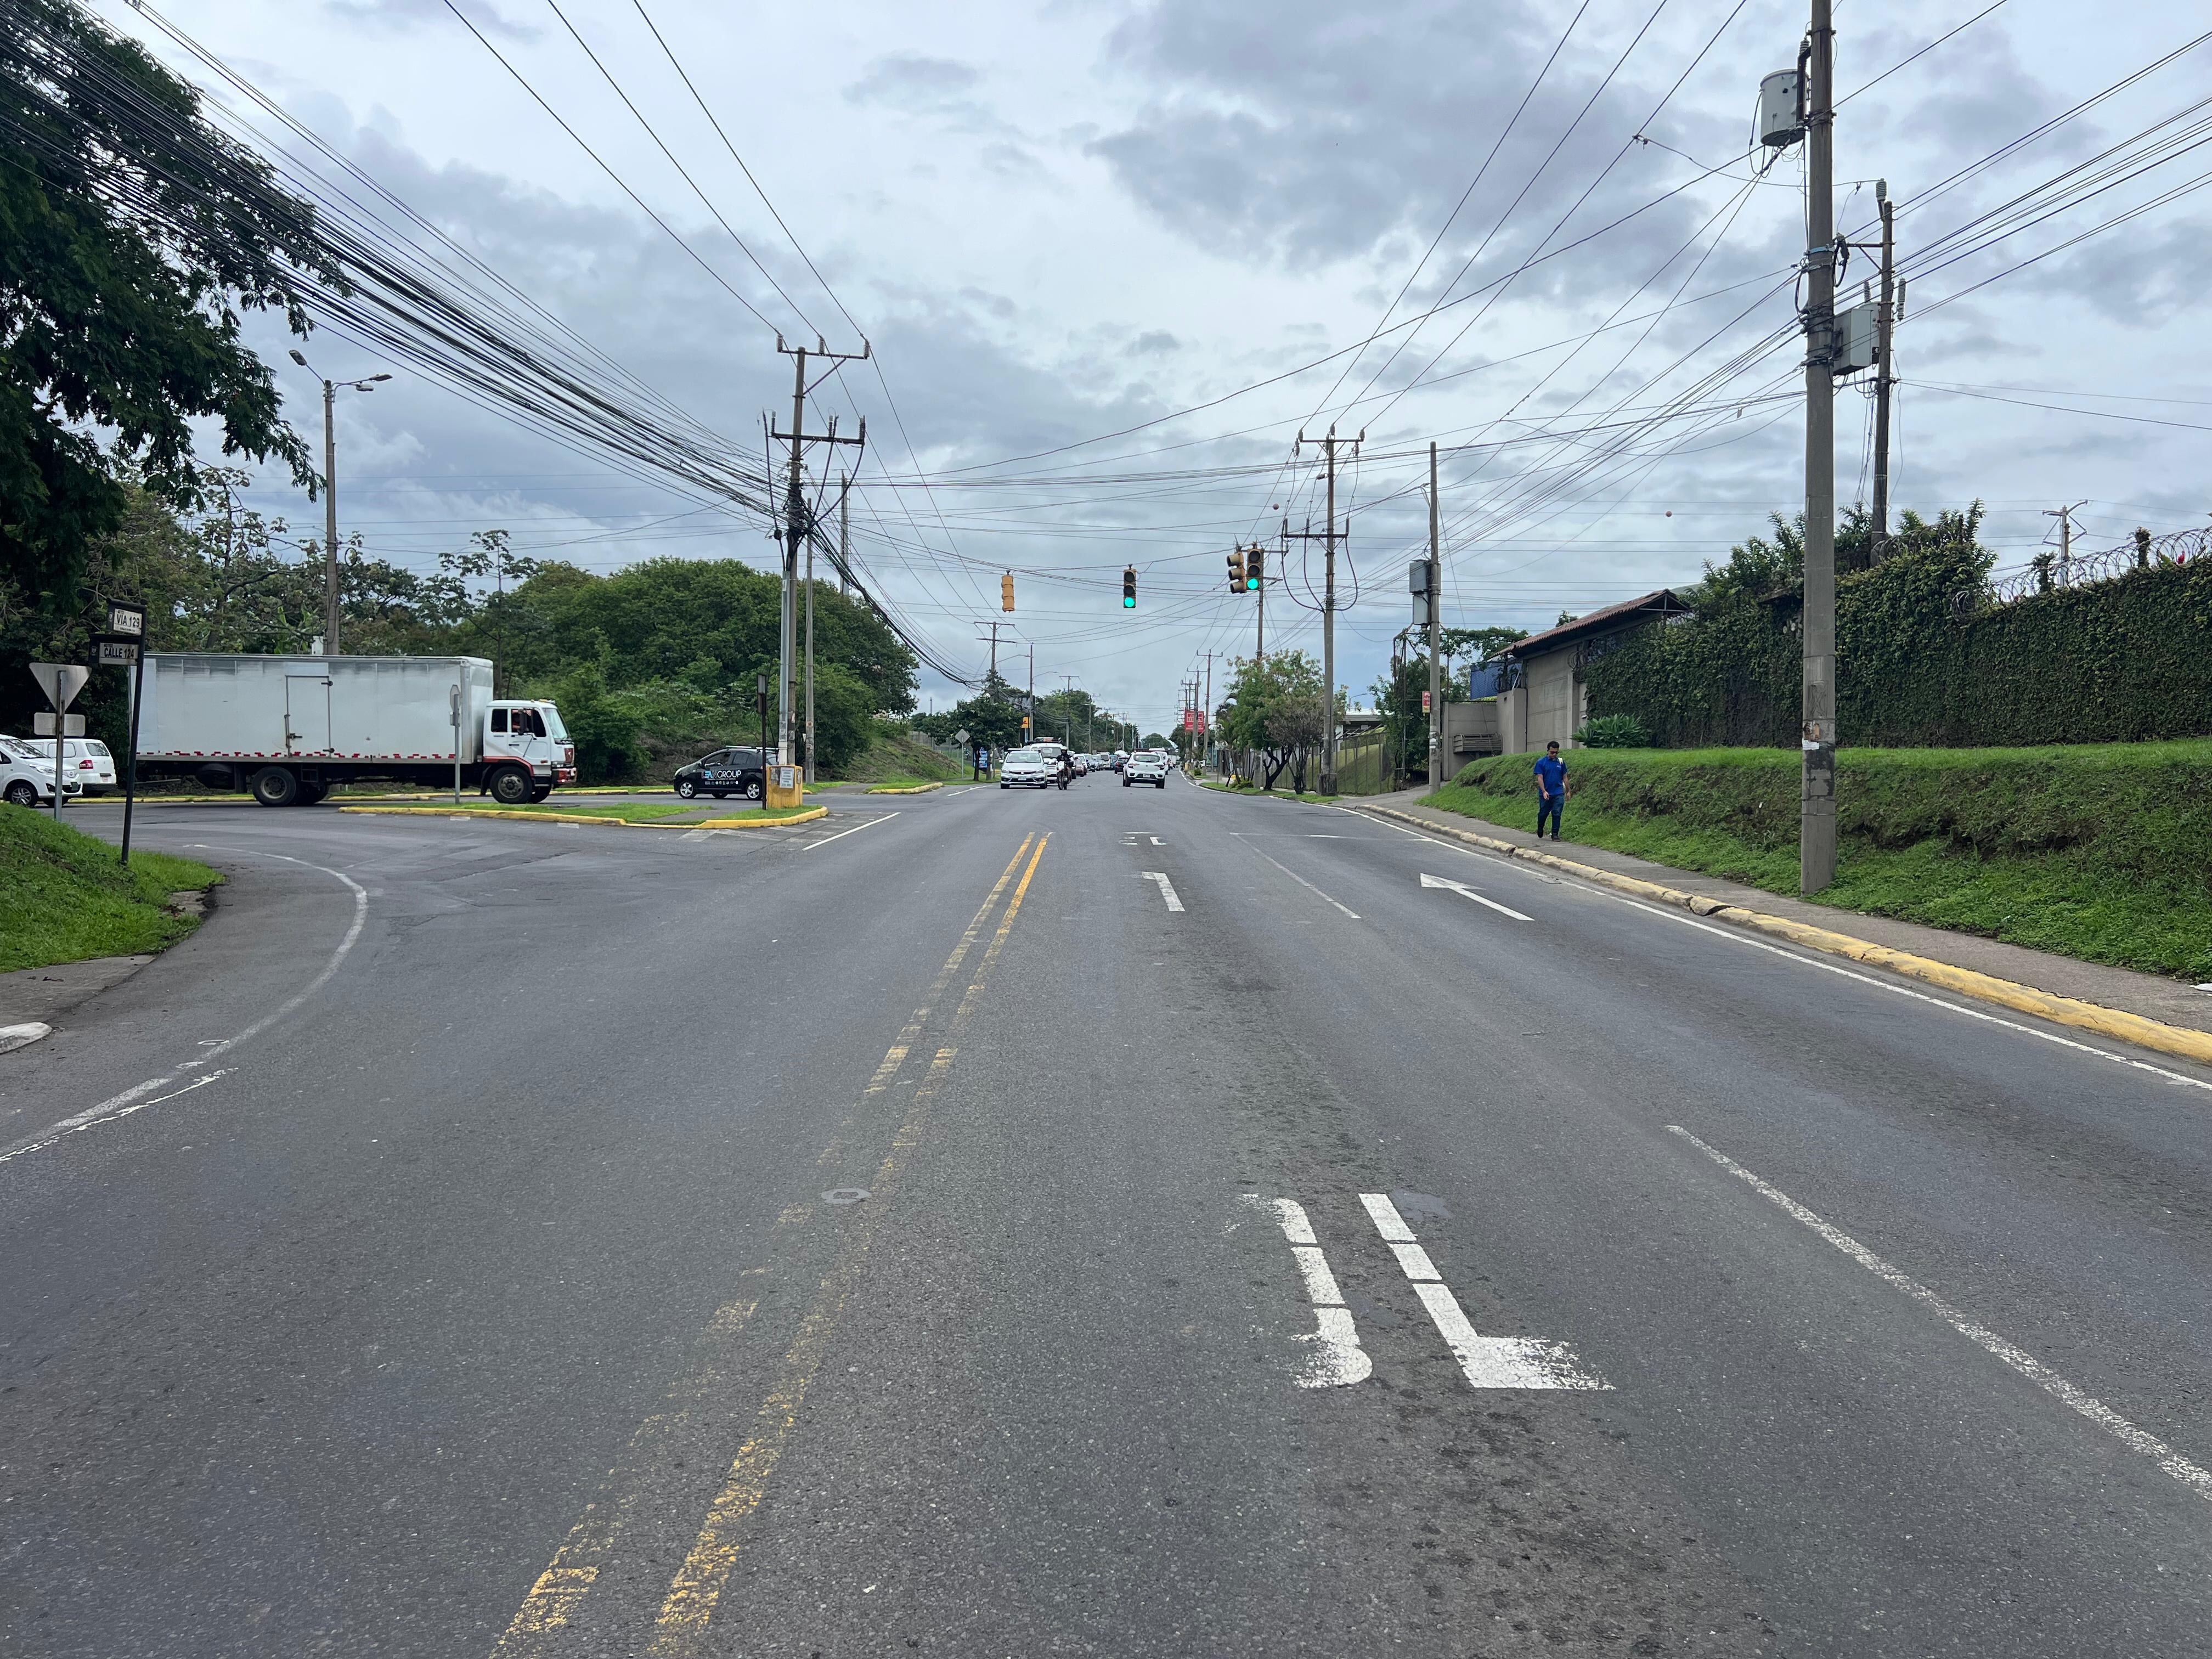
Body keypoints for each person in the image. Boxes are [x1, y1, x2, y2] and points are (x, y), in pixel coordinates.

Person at [1533, 740, 1568, 840]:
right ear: (1548, 751)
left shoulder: (1561, 763)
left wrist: (1569, 790)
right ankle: (1540, 827)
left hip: (1558, 792)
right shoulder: (1541, 762)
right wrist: (1544, 791)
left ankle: (1555, 834)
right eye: (1552, 752)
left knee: (1557, 812)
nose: (1554, 754)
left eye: (1556, 753)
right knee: (1543, 813)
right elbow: (1540, 777)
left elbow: (1565, 777)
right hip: (1546, 793)